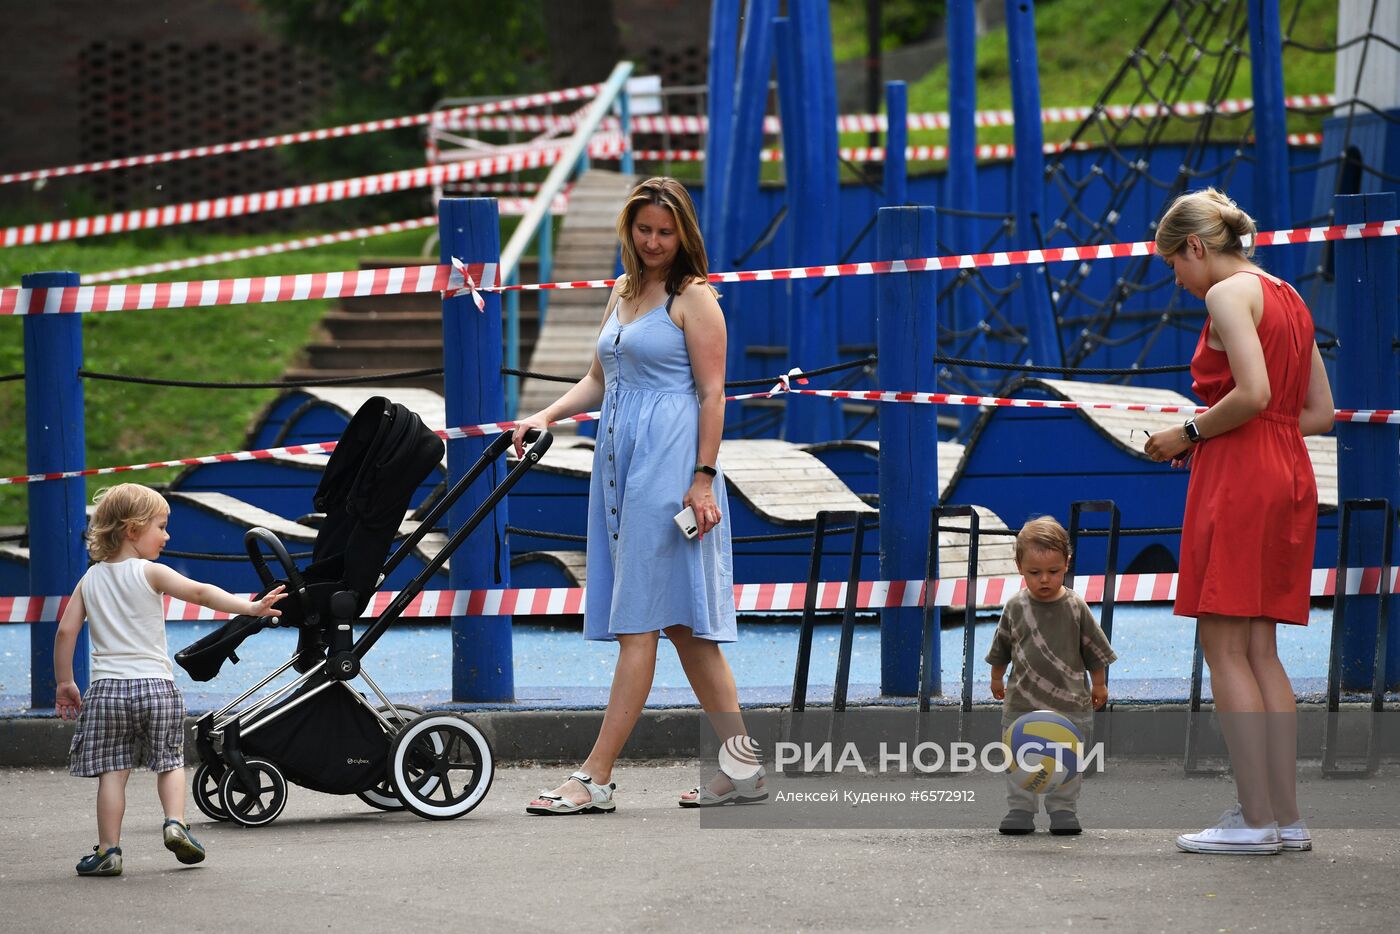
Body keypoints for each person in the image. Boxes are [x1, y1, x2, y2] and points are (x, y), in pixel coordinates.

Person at [513, 177, 761, 814]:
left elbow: (712, 394)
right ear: (630, 229)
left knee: (639, 625)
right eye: (644, 229)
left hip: (671, 468)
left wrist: (702, 478)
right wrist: (546, 415)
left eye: (665, 231)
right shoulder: (623, 291)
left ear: (685, 234)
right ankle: (744, 771)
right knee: (683, 629)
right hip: (621, 469)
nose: (653, 242)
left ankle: (594, 778)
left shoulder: (695, 297)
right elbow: (600, 377)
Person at [1143, 188, 1334, 855]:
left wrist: (1190, 434)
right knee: (1261, 651)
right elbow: (1317, 413)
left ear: (1195, 247)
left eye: (1174, 264)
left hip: (1242, 474)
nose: (1177, 280)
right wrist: (1244, 433)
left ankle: (1254, 821)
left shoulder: (1227, 295)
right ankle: (1285, 817)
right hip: (1289, 468)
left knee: (1224, 648)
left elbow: (1249, 394)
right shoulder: (1290, 293)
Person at [54, 483, 286, 876]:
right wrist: (250, 607)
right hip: (156, 687)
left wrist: (64, 683)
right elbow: (201, 593)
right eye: (160, 527)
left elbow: (65, 633)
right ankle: (175, 824)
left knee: (113, 771)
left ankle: (109, 850)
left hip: (107, 691)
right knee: (169, 762)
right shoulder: (151, 572)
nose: (167, 535)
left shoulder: (89, 579)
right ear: (132, 530)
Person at [987, 516, 1116, 836]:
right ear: (1019, 567)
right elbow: (1002, 644)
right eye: (1034, 572)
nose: (1044, 579)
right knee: (1019, 755)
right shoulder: (1015, 606)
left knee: (1067, 758)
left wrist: (1099, 683)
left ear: (1067, 564)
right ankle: (1020, 808)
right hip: (1023, 700)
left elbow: (1093, 648)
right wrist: (996, 677)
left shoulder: (1074, 606)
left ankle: (1063, 810)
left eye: (1054, 571)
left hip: (1068, 702)